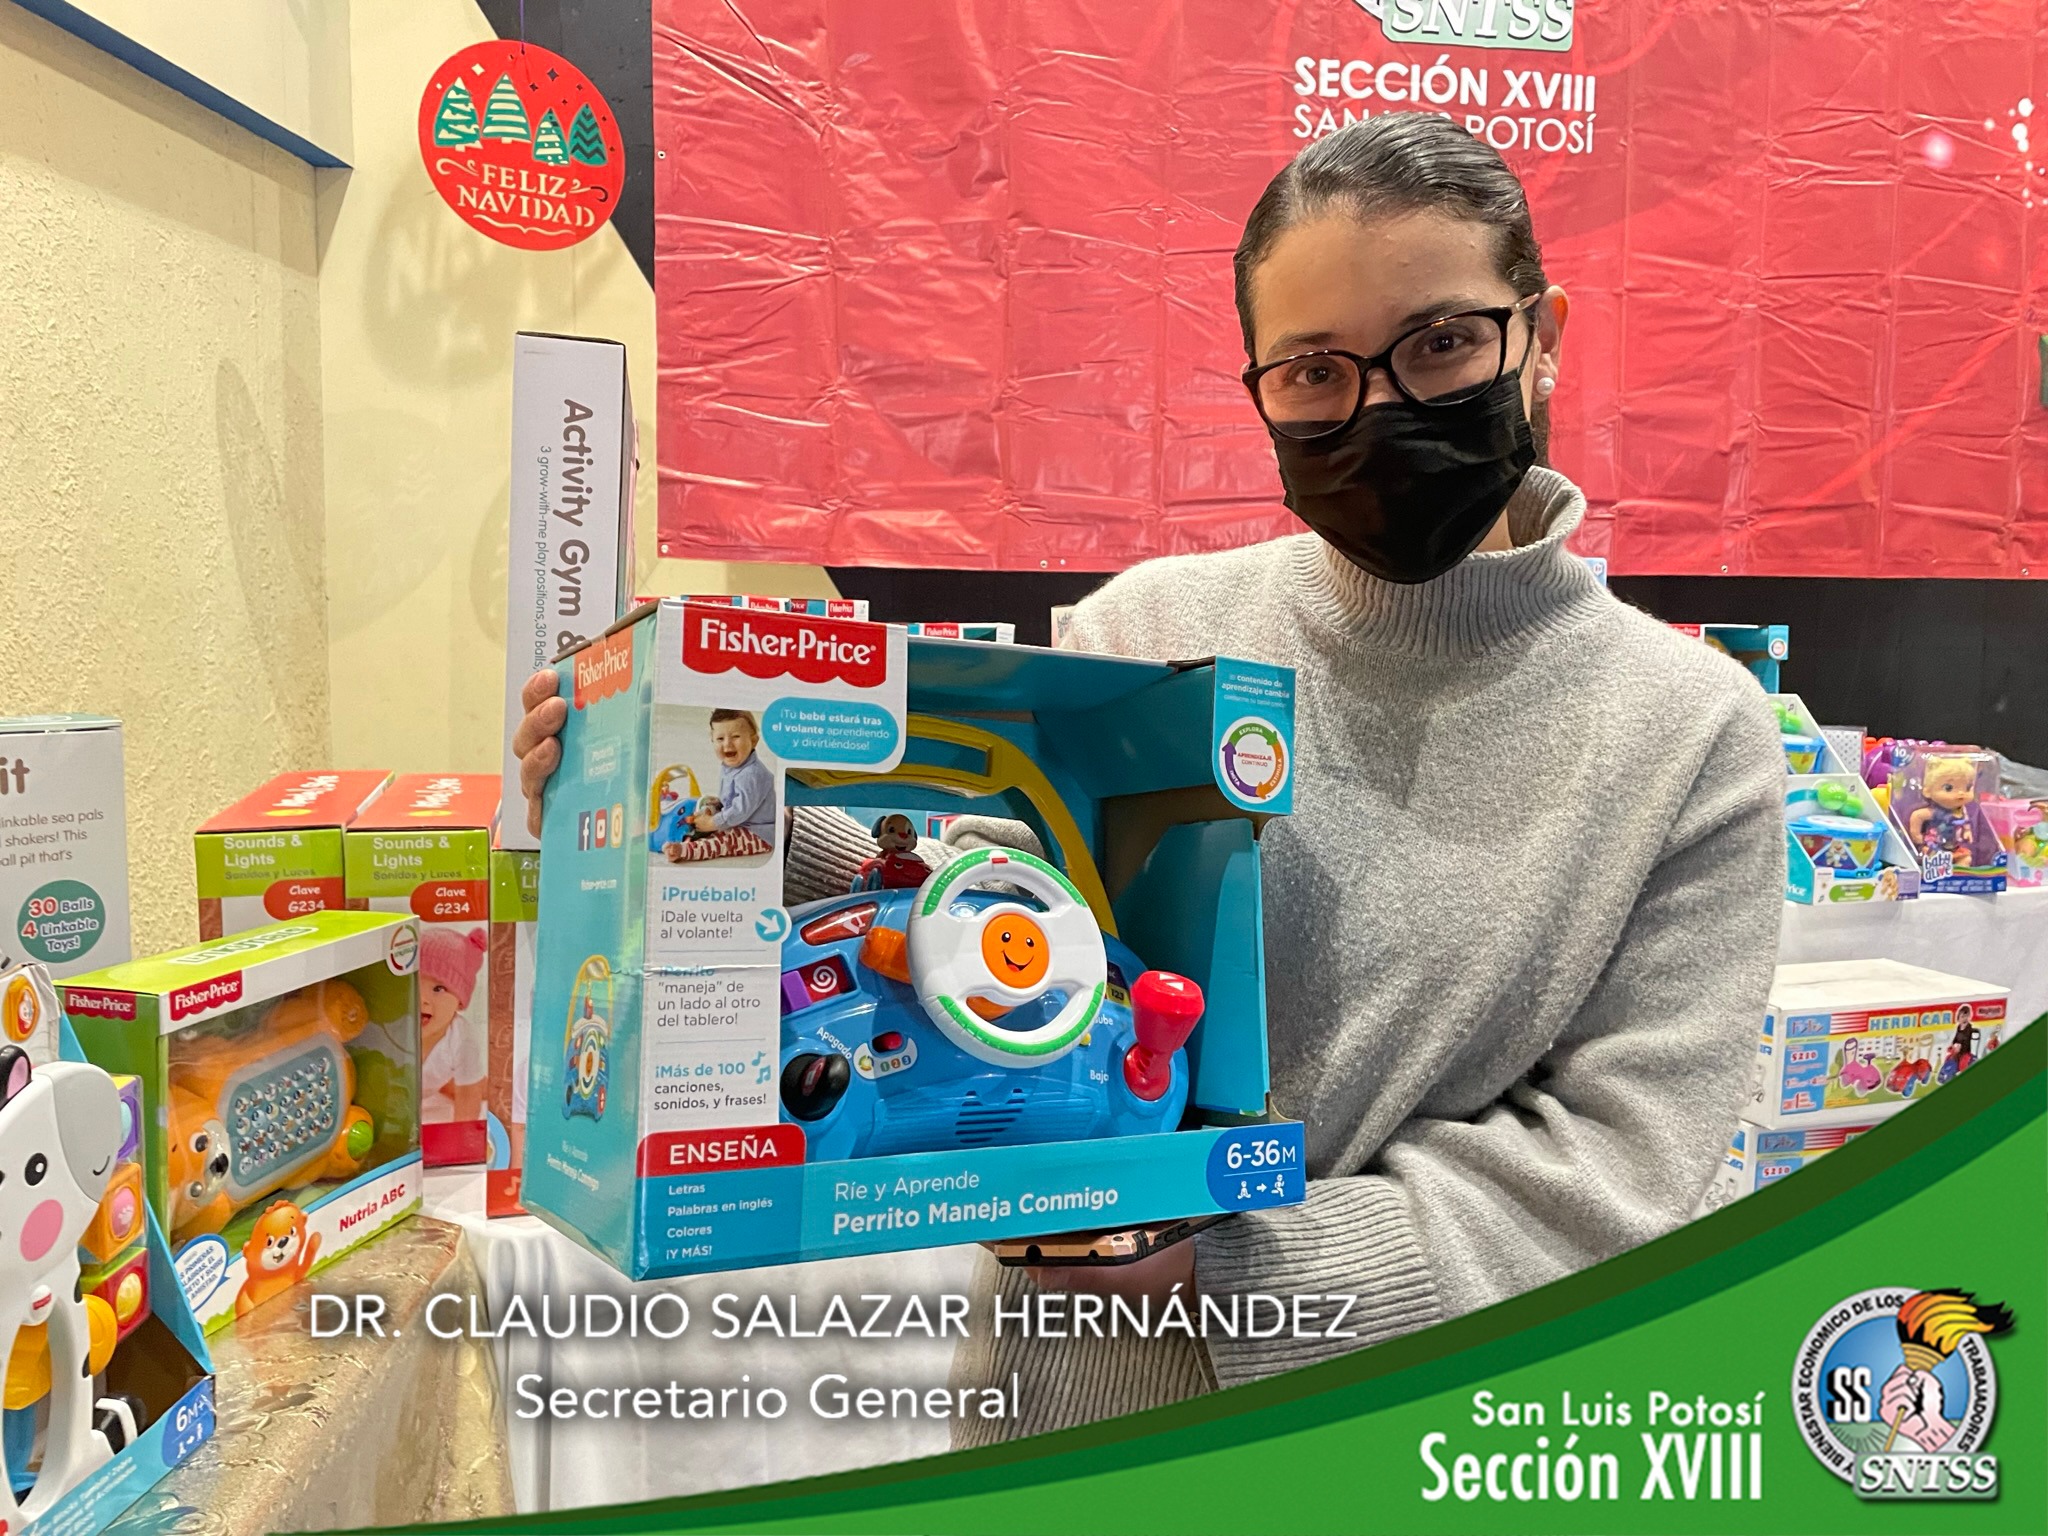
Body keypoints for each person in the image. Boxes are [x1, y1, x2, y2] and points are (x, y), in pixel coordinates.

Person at [511, 113, 1784, 1441]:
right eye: (1314, 371)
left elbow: (1616, 1168)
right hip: (1071, 1414)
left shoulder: (1691, 733)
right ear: (1259, 385)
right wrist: (681, 805)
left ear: (1544, 335)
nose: (1380, 408)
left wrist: (1216, 1275)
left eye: (1442, 342)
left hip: (1413, 1432)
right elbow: (995, 912)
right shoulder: (1149, 634)